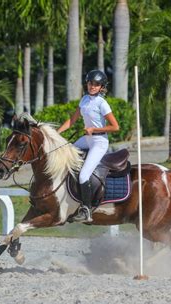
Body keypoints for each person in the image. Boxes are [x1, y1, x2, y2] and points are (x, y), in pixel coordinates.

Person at [58, 70, 120, 222]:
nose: (93, 86)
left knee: (84, 175)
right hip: (87, 139)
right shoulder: (84, 99)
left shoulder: (102, 103)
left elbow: (115, 127)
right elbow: (72, 121)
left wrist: (94, 129)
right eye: (91, 83)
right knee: (65, 152)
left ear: (102, 87)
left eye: (97, 84)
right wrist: (55, 133)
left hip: (99, 142)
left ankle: (86, 210)